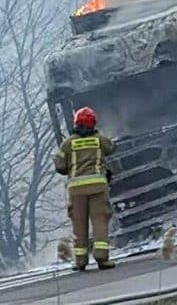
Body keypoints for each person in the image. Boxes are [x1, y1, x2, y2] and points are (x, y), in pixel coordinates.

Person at [54, 107, 116, 271]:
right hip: (98, 187)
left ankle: (80, 261)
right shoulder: (99, 140)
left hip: (76, 191)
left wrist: (73, 168)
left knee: (79, 225)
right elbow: (111, 148)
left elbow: (59, 166)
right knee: (100, 221)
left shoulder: (67, 144)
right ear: (92, 123)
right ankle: (102, 259)